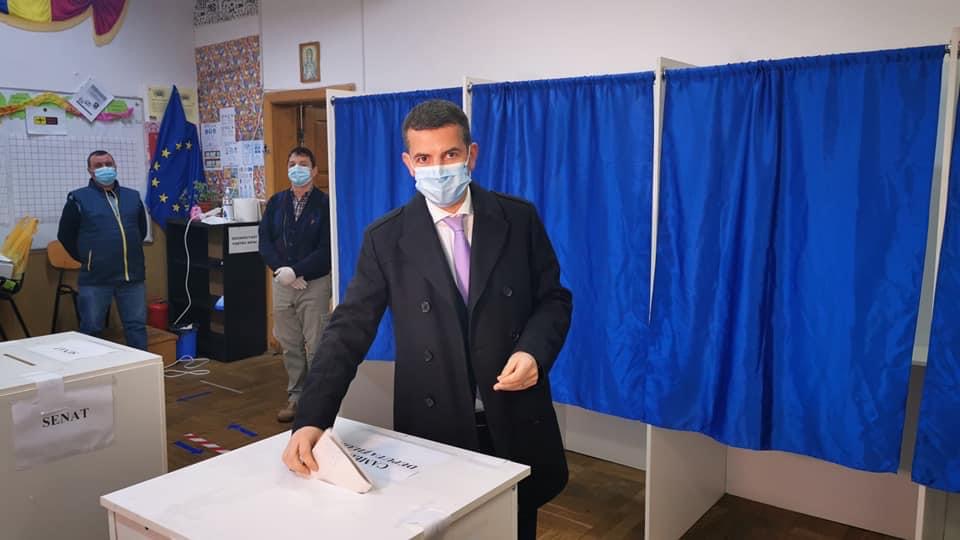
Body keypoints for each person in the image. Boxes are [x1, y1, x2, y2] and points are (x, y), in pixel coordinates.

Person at [282, 100, 572, 538]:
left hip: (513, 417)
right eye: (424, 158)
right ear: (408, 164)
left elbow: (553, 299)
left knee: (515, 527)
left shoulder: (517, 219)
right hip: (435, 427)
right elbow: (347, 331)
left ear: (471, 155)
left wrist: (533, 350)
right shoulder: (386, 238)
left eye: (449, 154)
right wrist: (312, 416)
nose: (438, 168)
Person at [259, 146, 333, 423]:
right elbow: (265, 241)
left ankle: (318, 400)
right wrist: (282, 271)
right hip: (282, 283)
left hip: (314, 284)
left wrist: (298, 271)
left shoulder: (325, 204)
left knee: (316, 345)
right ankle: (296, 396)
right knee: (290, 344)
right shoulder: (276, 203)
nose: (297, 168)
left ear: (314, 171)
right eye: (292, 163)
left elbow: (326, 249)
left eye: (303, 164)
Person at [57, 150, 148, 350]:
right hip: (96, 278)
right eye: (98, 165)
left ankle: (143, 368)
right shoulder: (78, 198)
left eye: (108, 164)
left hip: (131, 276)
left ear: (115, 167)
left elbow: (140, 230)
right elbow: (65, 235)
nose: (104, 168)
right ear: (90, 171)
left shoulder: (132, 197)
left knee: (136, 327)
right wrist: (87, 258)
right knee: (91, 329)